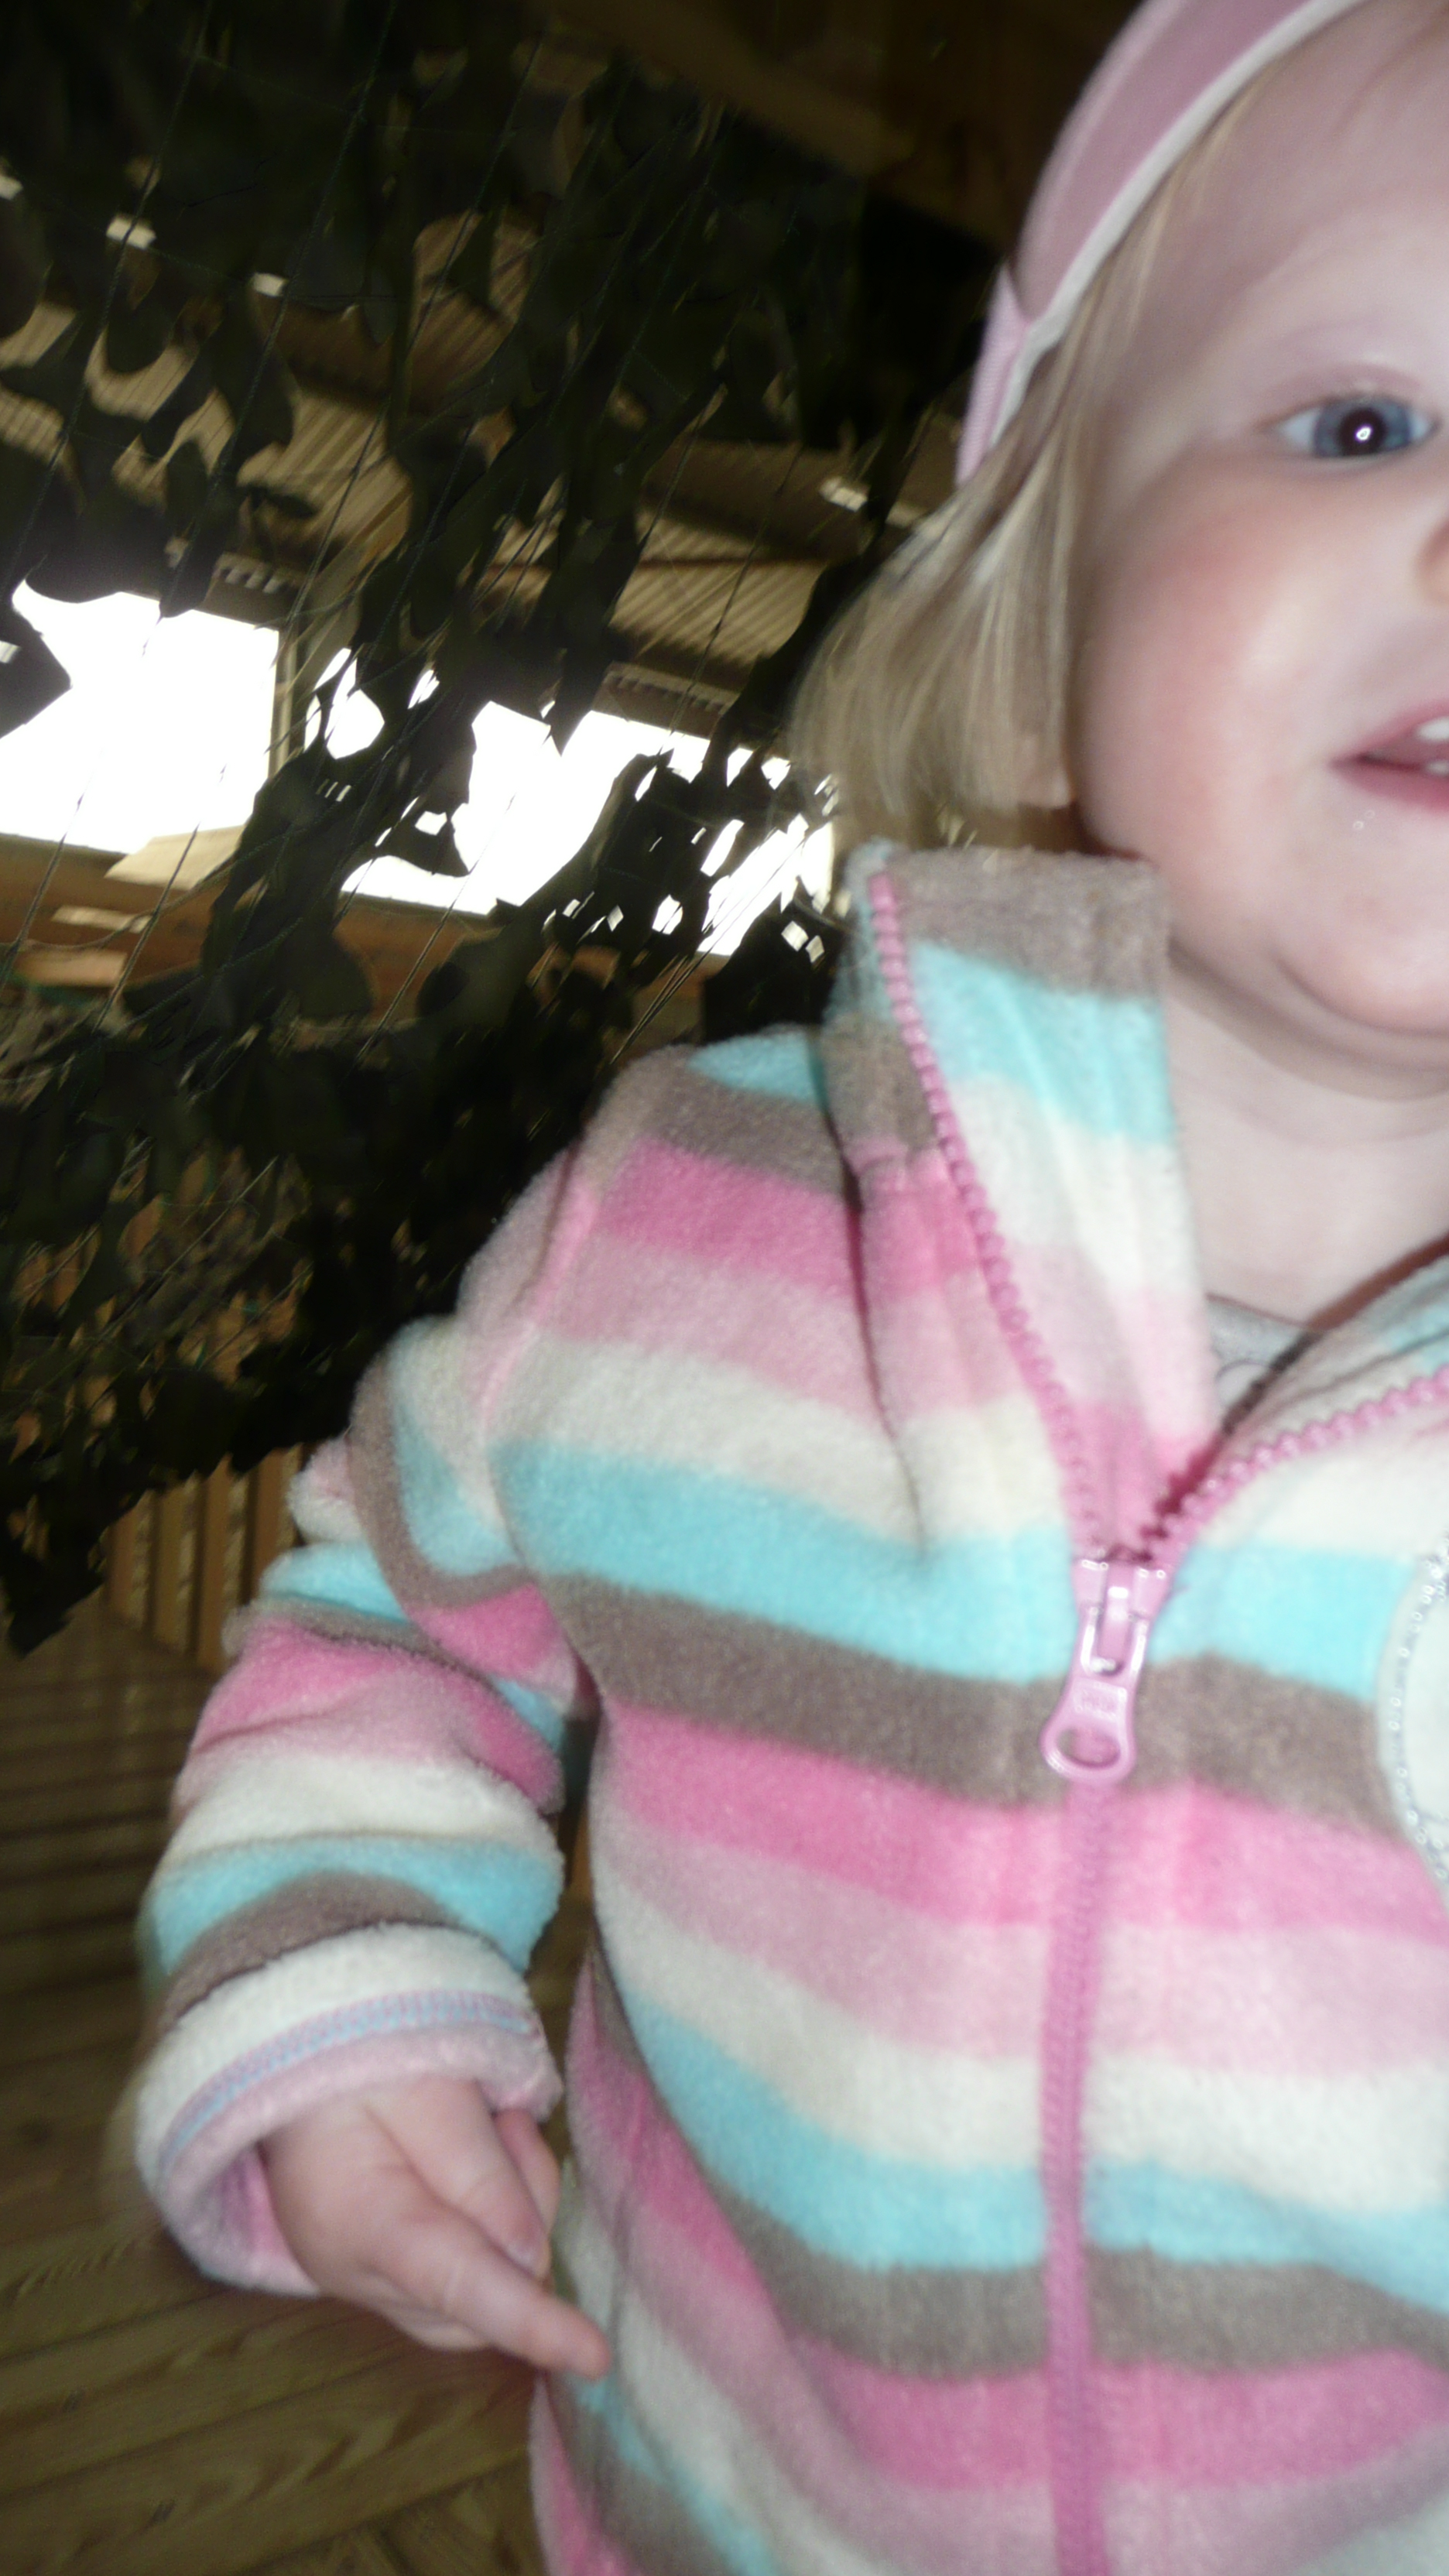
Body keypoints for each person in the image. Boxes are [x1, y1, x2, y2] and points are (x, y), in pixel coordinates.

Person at [128, 0, 1449, 2565]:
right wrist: (337, 1976)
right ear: (1040, 613)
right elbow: (395, 1625)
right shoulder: (695, 1218)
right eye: (1362, 421)